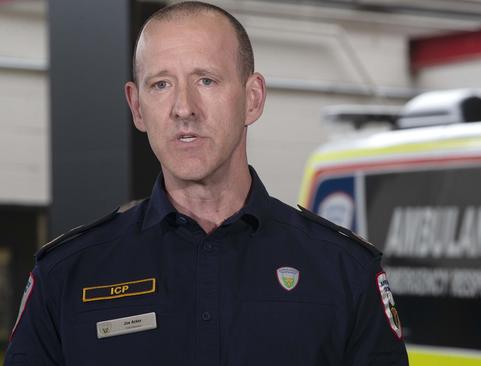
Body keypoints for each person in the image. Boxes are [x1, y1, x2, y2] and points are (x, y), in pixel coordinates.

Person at [4, 2, 408, 365]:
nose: (183, 108)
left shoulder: (344, 272)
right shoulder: (66, 275)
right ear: (136, 107)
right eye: (161, 84)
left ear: (252, 98)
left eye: (206, 81)